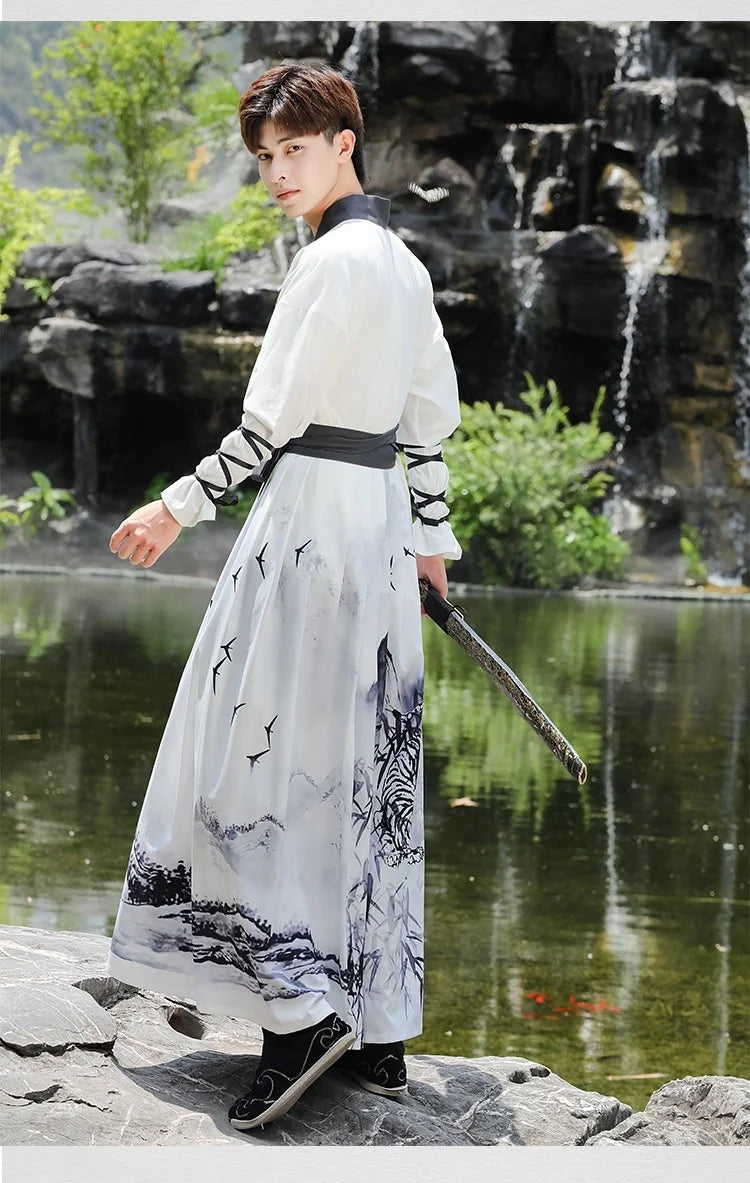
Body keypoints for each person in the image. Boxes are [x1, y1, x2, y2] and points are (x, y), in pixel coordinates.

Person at [105, 61, 462, 1132]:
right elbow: (431, 418)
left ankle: (298, 1015)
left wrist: (177, 503)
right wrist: (432, 539)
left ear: (344, 142)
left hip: (310, 518)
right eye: (265, 158)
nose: (276, 173)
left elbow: (271, 420)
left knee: (261, 765)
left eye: (292, 151)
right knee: (360, 767)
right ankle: (379, 1028)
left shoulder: (333, 263)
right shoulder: (402, 265)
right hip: (379, 525)